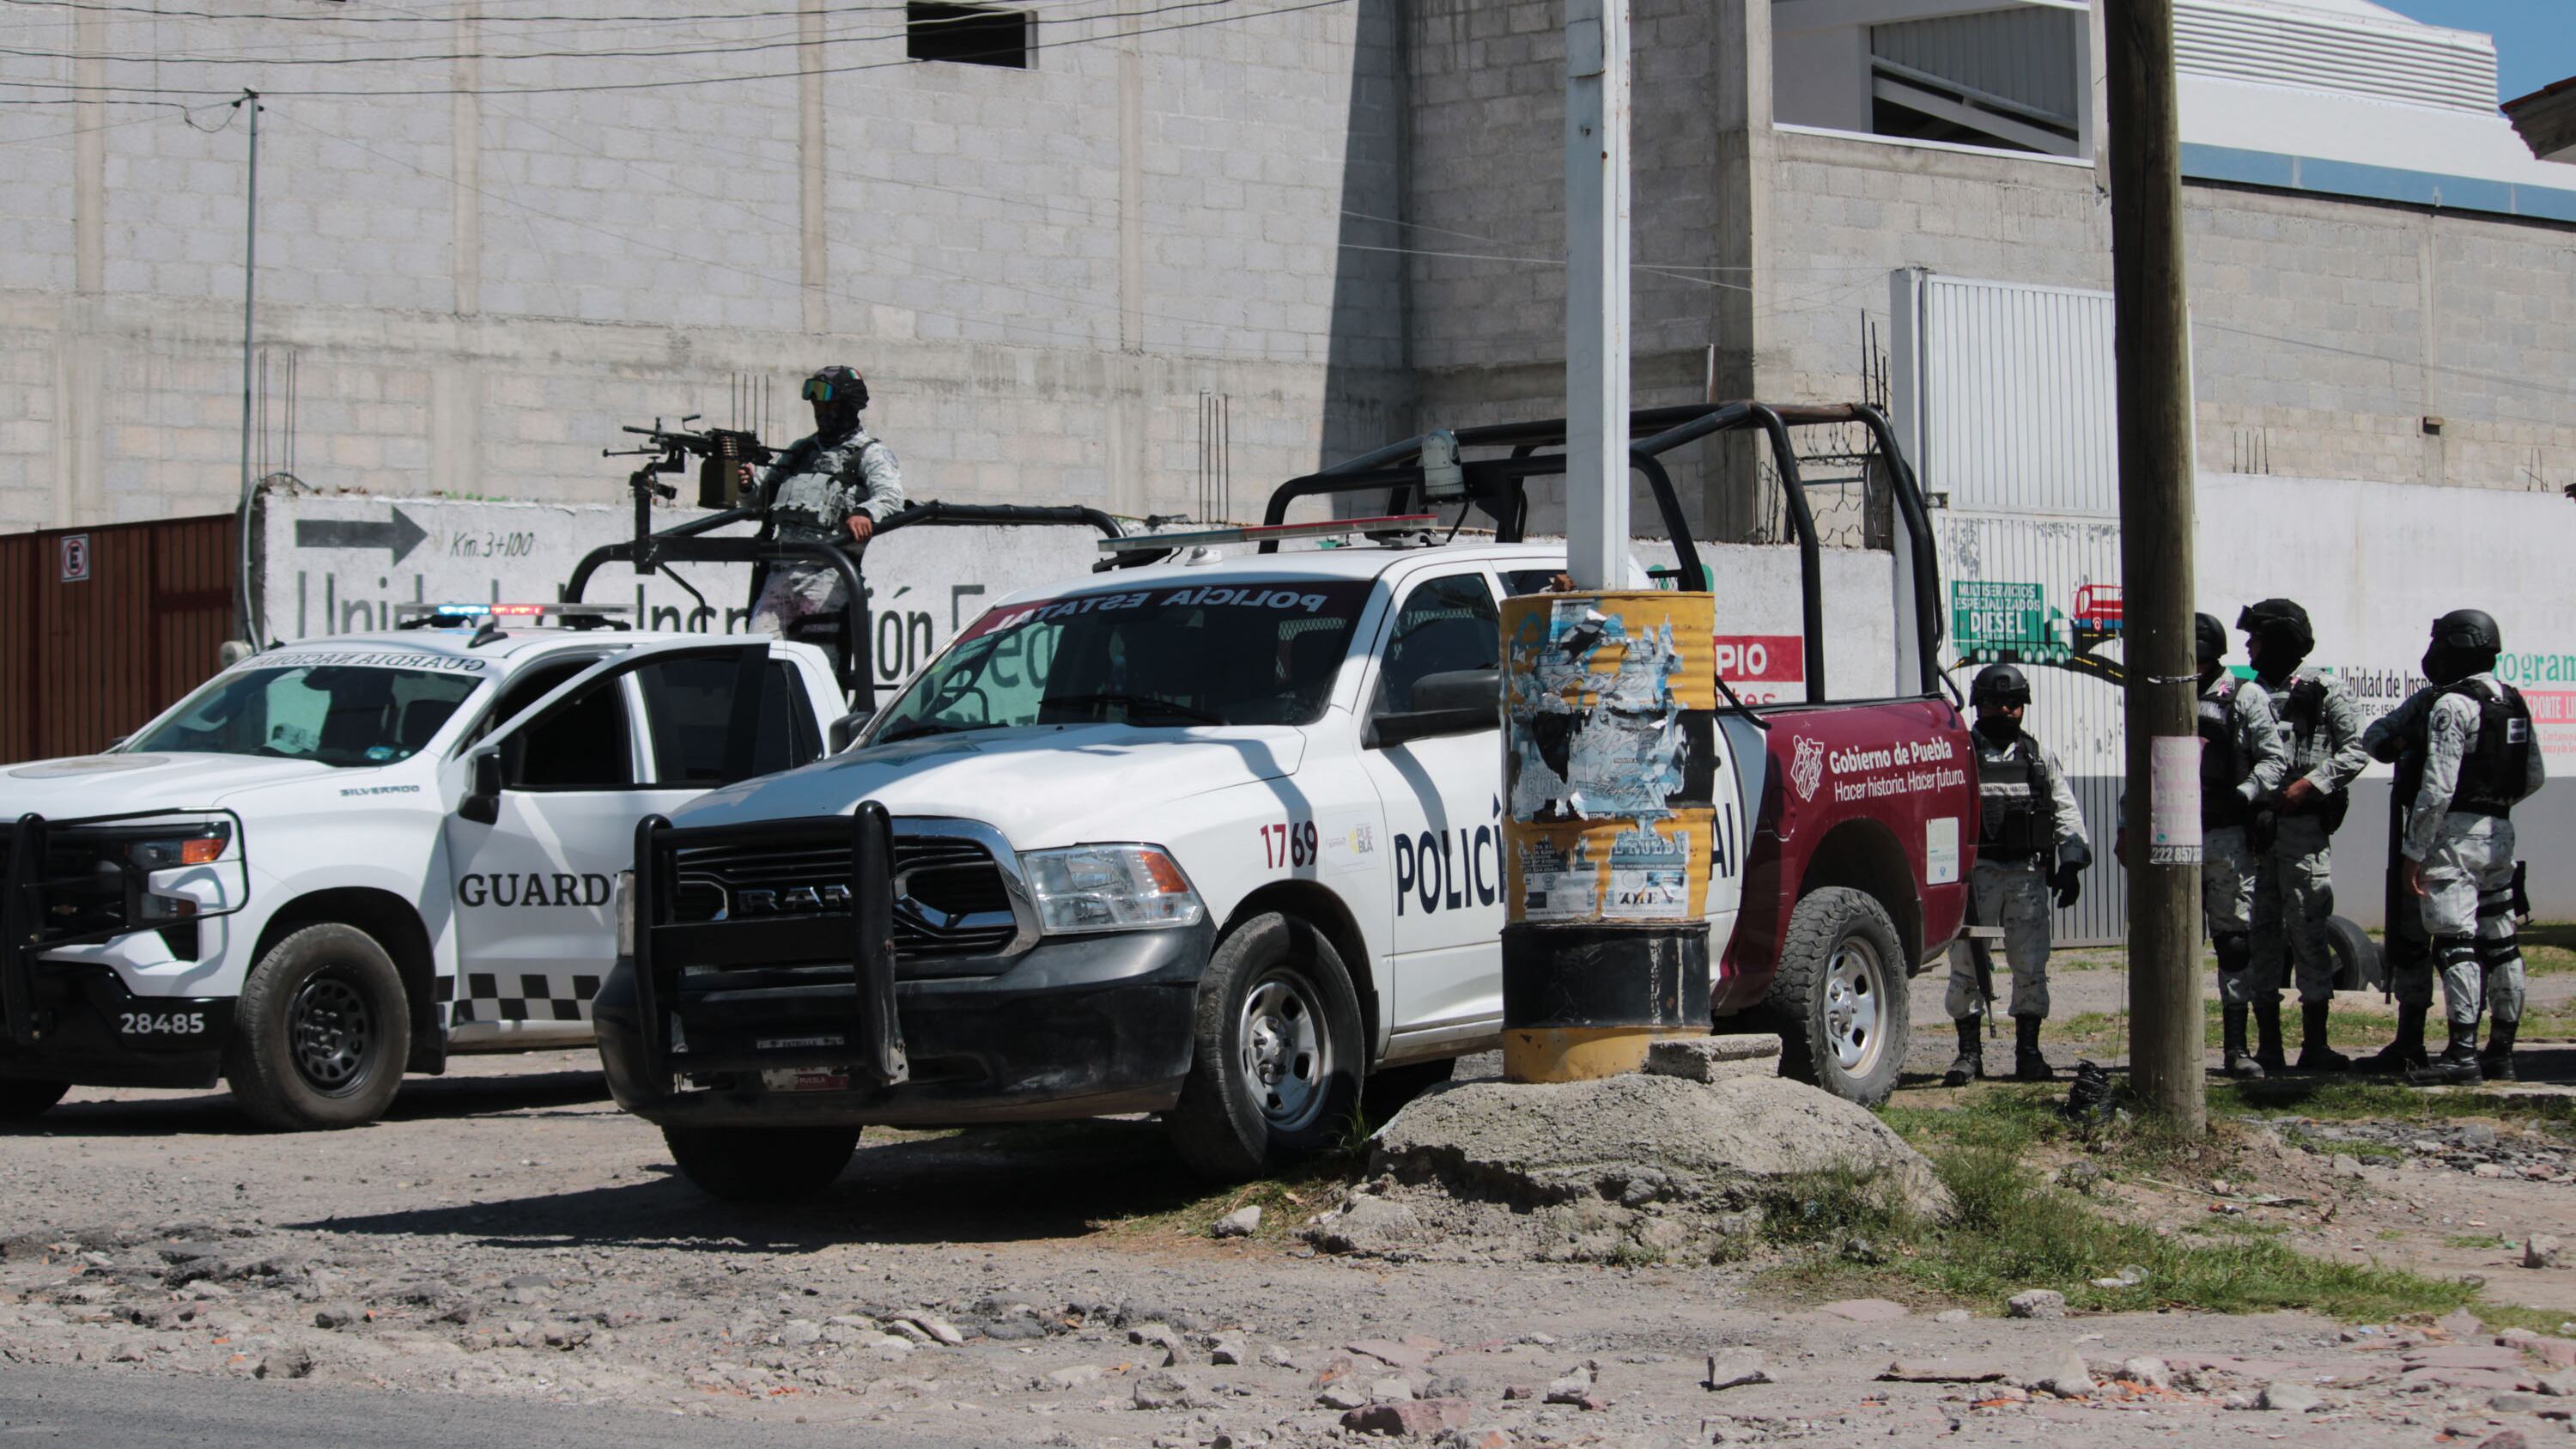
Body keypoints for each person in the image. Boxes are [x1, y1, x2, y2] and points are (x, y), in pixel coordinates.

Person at [2360, 610, 2546, 1085]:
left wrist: (2415, 852)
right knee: (2501, 944)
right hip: (2500, 832)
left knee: (2455, 943)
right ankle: (2500, 1052)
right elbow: (2534, 776)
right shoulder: (2513, 699)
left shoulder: (2452, 704)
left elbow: (2437, 788)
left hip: (2453, 837)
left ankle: (2462, 1055)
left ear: (2453, 649)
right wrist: (2492, 807)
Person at [1943, 662, 2092, 1086]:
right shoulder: (1960, 755)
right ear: (1979, 705)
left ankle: (2028, 1053)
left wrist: (2072, 863)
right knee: (1967, 965)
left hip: (2026, 877)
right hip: (1976, 878)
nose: (2005, 710)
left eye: (2013, 703)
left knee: (2030, 966)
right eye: (1995, 702)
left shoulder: (2038, 756)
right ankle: (1969, 1055)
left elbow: (2064, 810)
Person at [2237, 600, 2368, 1072]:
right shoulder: (2245, 693)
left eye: (2256, 638)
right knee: (2260, 937)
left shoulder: (2325, 689)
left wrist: (2309, 785)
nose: (2248, 647)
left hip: (2303, 834)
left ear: (2278, 640)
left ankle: (2315, 1045)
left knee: (2310, 933)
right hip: (2256, 834)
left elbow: (2358, 749)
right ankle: (2269, 1046)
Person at [2198, 611, 2293, 1080]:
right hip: (2170, 838)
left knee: (2234, 943)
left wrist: (2244, 795)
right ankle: (2166, 1044)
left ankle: (2235, 1048)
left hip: (2225, 835)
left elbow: (2274, 760)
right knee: (2166, 942)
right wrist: (2125, 827)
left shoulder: (2243, 694)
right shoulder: (2159, 693)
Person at [745, 364, 906, 636]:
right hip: (781, 570)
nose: (820, 410)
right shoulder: (800, 451)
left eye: (829, 404)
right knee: (758, 651)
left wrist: (865, 513)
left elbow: (891, 497)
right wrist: (748, 484)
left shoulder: (869, 454)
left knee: (819, 653)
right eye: (817, 404)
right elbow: (762, 494)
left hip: (827, 574)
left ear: (849, 406)